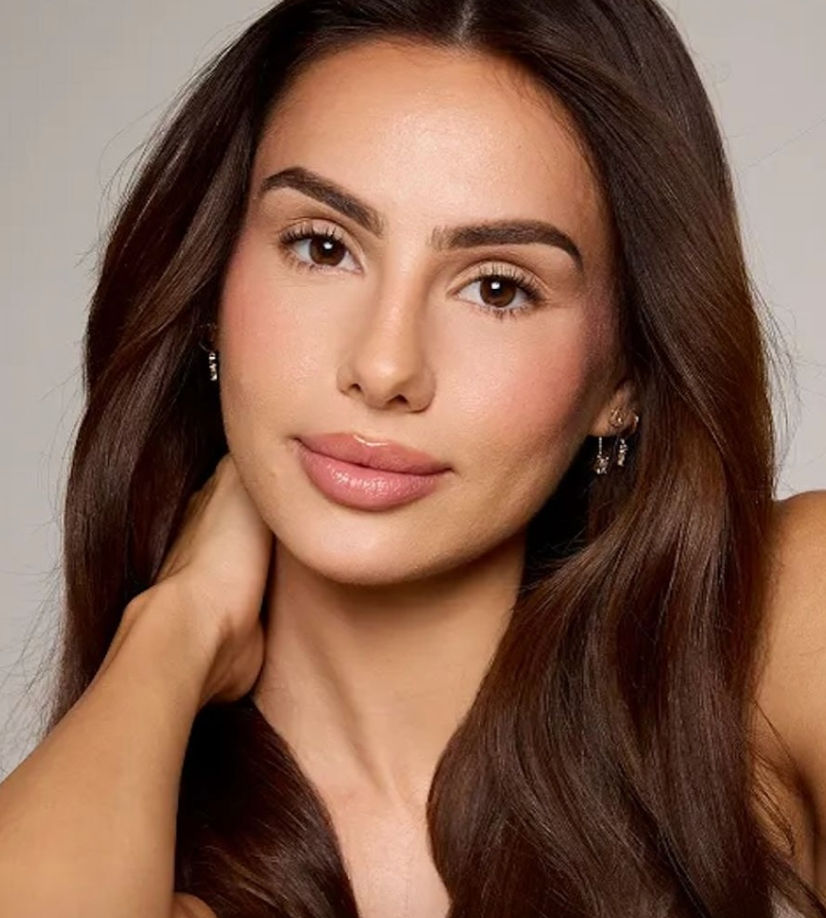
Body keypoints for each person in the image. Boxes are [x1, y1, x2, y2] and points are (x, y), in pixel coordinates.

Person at [0, 0, 823, 916]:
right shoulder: (136, 852)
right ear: (210, 291)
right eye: (321, 247)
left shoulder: (776, 643)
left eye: (498, 288)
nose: (385, 367)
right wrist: (171, 634)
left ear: (622, 377)